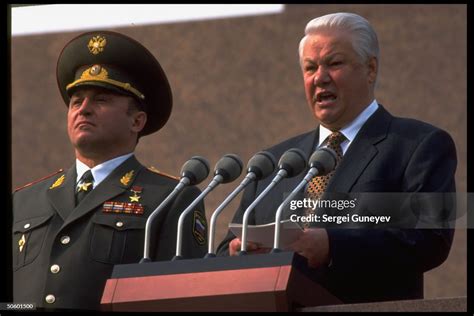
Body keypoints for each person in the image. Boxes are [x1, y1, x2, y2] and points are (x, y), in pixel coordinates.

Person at [216, 12, 457, 304]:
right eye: (310, 68)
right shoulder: (274, 163)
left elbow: (430, 240)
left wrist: (332, 246)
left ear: (370, 69)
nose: (320, 77)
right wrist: (237, 252)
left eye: (334, 63)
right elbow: (226, 250)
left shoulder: (419, 145)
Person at [12, 30, 208, 310]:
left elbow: (181, 300)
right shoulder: (22, 201)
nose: (84, 109)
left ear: (137, 121)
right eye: (76, 101)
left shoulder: (170, 199)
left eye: (101, 100)